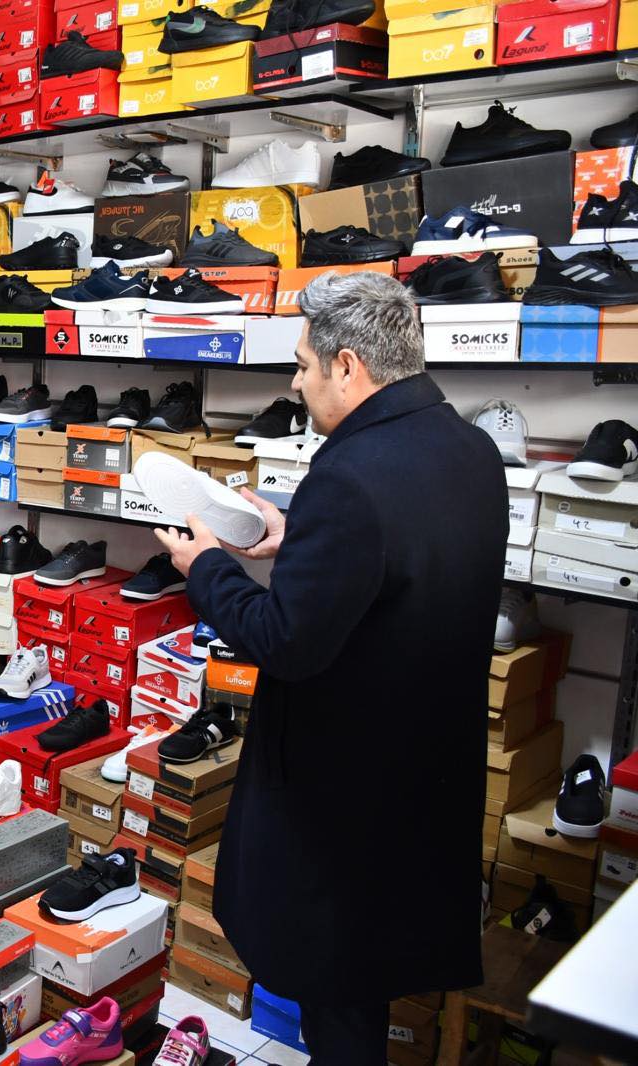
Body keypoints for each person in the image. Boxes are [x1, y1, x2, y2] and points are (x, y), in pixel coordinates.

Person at [153, 271, 507, 1063]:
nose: (296, 381)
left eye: (304, 363)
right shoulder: (471, 450)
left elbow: (285, 641)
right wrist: (300, 540)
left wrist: (207, 569)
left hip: (344, 797)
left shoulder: (347, 477)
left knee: (339, 1002)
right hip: (428, 774)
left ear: (348, 366)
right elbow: (401, 564)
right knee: (372, 972)